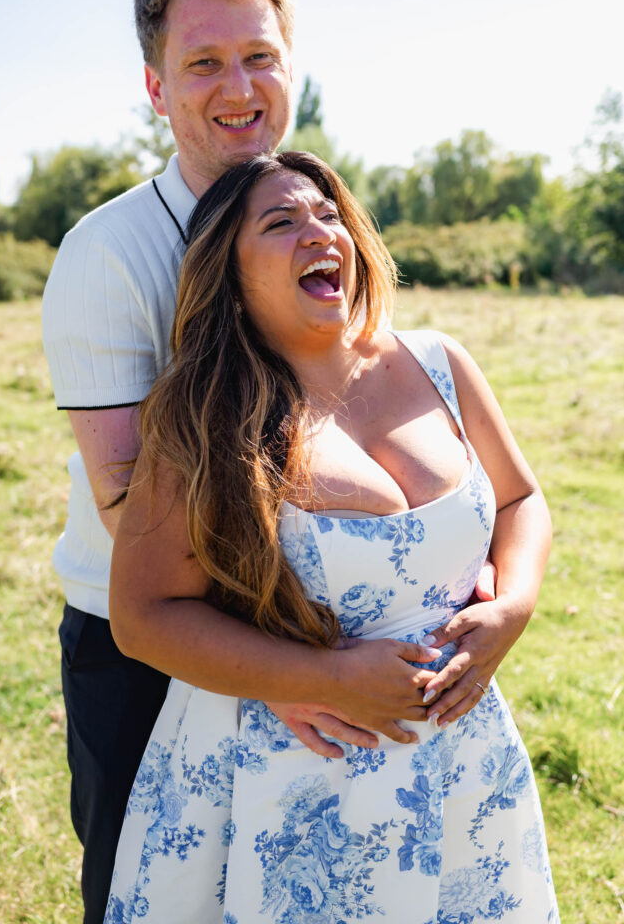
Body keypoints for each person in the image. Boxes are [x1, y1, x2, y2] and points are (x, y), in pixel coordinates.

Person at [42, 0, 515, 923]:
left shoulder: (309, 213)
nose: (238, 87)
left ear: (290, 67)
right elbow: (130, 494)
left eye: (259, 56)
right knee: (159, 889)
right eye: (204, 63)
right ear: (155, 86)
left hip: (346, 641)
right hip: (155, 650)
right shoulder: (108, 254)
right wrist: (289, 670)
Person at [103, 151, 559, 923]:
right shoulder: (205, 414)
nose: (320, 232)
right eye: (281, 223)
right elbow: (143, 616)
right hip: (285, 783)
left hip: (460, 763)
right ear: (230, 273)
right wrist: (313, 677)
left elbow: (520, 499)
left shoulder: (438, 362)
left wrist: (511, 608)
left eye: (327, 214)